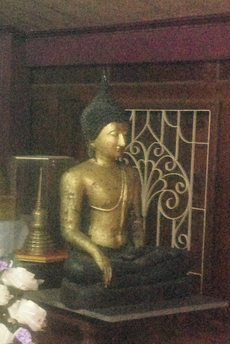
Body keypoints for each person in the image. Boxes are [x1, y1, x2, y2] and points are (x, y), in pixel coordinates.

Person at [59, 74, 193, 309]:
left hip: (127, 255)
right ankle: (129, 280)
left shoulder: (130, 173)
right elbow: (69, 230)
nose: (123, 142)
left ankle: (123, 279)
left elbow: (135, 221)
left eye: (125, 134)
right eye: (114, 134)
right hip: (94, 253)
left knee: (181, 258)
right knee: (78, 270)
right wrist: (98, 255)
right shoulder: (76, 175)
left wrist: (139, 251)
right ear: (93, 139)